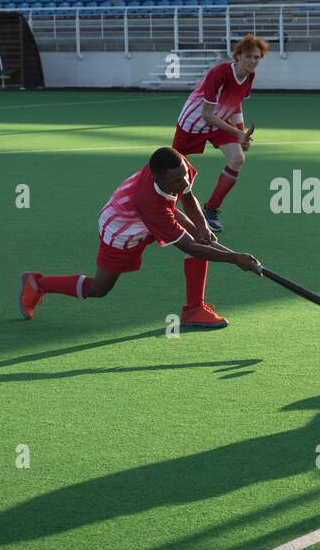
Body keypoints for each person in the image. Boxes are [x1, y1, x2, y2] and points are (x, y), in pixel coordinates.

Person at [18, 146, 260, 329]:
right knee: (99, 288)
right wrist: (234, 258)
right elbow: (191, 247)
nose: (184, 181)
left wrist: (202, 226)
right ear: (157, 177)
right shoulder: (148, 200)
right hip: (122, 229)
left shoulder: (176, 165)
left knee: (198, 237)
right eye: (176, 179)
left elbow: (187, 195)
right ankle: (38, 283)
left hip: (156, 212)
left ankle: (194, 310)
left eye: (184, 175)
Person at [171, 33, 267, 232]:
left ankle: (211, 210)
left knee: (237, 159)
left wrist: (241, 134)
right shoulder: (219, 73)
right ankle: (158, 207)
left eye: (257, 57)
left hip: (219, 124)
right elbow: (206, 114)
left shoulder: (249, 76)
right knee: (171, 169)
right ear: (238, 56)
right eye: (249, 56)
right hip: (192, 123)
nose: (253, 61)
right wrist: (238, 133)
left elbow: (236, 103)